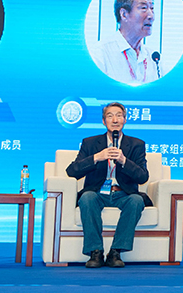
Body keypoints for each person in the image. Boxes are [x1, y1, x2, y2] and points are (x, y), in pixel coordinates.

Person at [66, 102, 150, 268]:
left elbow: (143, 177)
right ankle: (95, 252)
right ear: (104, 121)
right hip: (97, 192)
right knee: (87, 198)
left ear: (125, 120)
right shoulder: (90, 143)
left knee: (136, 201)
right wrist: (97, 157)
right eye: (110, 116)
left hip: (123, 193)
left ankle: (115, 252)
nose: (115, 120)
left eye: (119, 116)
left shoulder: (136, 144)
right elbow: (72, 171)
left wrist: (124, 161)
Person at [90, 0, 162, 85]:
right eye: (144, 8)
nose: (151, 16)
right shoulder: (100, 54)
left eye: (152, 8)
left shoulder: (155, 58)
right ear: (124, 14)